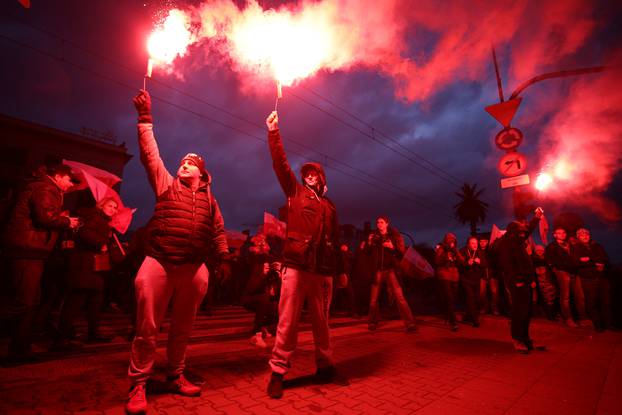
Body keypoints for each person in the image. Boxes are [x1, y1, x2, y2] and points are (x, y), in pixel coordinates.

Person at [126, 90, 229, 414]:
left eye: (190, 163)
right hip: (159, 260)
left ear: (201, 172)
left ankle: (175, 374)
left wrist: (223, 260)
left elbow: (217, 232)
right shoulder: (166, 185)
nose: (182, 165)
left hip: (193, 267)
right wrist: (145, 119)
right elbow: (150, 155)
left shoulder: (211, 201)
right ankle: (138, 384)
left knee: (183, 327)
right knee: (147, 327)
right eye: (182, 162)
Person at [265, 111, 344, 399]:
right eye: (307, 173)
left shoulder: (331, 206)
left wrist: (341, 269)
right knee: (287, 320)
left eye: (315, 173)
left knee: (322, 321)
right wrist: (274, 132)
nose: (309, 175)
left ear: (322, 179)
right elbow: (280, 164)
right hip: (296, 265)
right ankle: (278, 372)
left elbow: (336, 239)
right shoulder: (295, 191)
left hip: (323, 270)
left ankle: (325, 365)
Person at [3, 164, 80, 363]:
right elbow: (45, 217)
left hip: (29, 250)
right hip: (27, 249)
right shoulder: (46, 188)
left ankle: (21, 345)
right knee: (24, 301)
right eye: (70, 180)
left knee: (29, 299)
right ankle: (17, 349)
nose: (71, 185)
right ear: (59, 176)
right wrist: (67, 221)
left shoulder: (41, 187)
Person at [54, 197, 120, 350]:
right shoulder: (94, 217)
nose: (113, 209)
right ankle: (61, 338)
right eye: (110, 205)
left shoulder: (102, 220)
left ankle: (93, 332)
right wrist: (101, 243)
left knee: (95, 301)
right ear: (101, 205)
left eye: (115, 208)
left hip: (94, 268)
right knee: (76, 301)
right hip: (85, 266)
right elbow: (84, 233)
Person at [497, 208, 546, 354]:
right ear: (513, 232)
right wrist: (517, 280)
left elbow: (529, 229)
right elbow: (508, 266)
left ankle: (526, 338)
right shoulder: (505, 244)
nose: (523, 234)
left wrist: (536, 217)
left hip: (526, 282)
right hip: (516, 283)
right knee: (519, 312)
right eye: (520, 232)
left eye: (523, 232)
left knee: (527, 311)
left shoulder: (517, 240)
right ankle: (517, 339)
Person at [367, 216, 416, 332]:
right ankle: (372, 322)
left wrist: (392, 247)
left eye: (382, 222)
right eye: (378, 222)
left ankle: (409, 323)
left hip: (391, 270)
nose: (379, 224)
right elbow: (367, 253)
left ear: (387, 224)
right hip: (378, 270)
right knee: (373, 299)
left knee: (400, 297)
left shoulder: (394, 236)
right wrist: (369, 242)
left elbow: (402, 252)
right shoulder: (374, 236)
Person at [571, 228, 611, 331]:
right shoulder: (576, 248)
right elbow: (576, 263)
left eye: (586, 234)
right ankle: (598, 325)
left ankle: (608, 324)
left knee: (605, 301)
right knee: (591, 302)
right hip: (588, 278)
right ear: (578, 237)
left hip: (602, 277)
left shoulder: (597, 246)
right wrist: (594, 262)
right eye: (582, 235)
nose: (585, 236)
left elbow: (604, 258)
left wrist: (589, 259)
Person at [546, 227, 583, 327]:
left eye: (563, 232)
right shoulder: (552, 247)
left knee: (580, 296)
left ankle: (582, 318)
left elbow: (575, 257)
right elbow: (550, 261)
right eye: (559, 233)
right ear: (555, 235)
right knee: (565, 297)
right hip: (562, 271)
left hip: (574, 271)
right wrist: (556, 269)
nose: (562, 234)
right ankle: (568, 319)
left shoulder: (570, 245)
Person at [435, 233, 463, 331]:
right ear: (446, 240)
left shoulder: (455, 249)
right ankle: (453, 322)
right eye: (449, 239)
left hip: (454, 276)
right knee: (449, 297)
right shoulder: (441, 249)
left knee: (453, 297)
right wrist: (445, 255)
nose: (451, 241)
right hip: (444, 275)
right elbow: (437, 262)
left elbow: (462, 262)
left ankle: (447, 314)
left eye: (453, 239)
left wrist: (455, 251)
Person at [459, 236, 485, 327]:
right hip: (466, 279)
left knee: (477, 299)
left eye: (476, 243)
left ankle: (468, 316)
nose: (475, 245)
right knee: (470, 298)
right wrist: (466, 263)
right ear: (468, 244)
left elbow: (485, 264)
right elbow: (459, 264)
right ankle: (475, 320)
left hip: (476, 279)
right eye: (473, 243)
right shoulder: (462, 251)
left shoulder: (479, 252)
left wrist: (480, 262)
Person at [532, 245, 557, 321]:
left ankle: (551, 315)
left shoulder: (547, 259)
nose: (540, 252)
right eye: (538, 250)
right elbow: (532, 271)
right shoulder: (533, 259)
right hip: (539, 282)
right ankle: (547, 315)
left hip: (548, 281)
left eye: (541, 250)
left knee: (551, 298)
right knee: (540, 299)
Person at [478, 236, 500, 315]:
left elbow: (495, 262)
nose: (482, 243)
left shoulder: (491, 251)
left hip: (493, 275)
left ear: (487, 242)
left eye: (484, 241)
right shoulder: (477, 251)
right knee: (482, 293)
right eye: (481, 241)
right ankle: (484, 307)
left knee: (494, 293)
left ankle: (494, 308)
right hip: (482, 276)